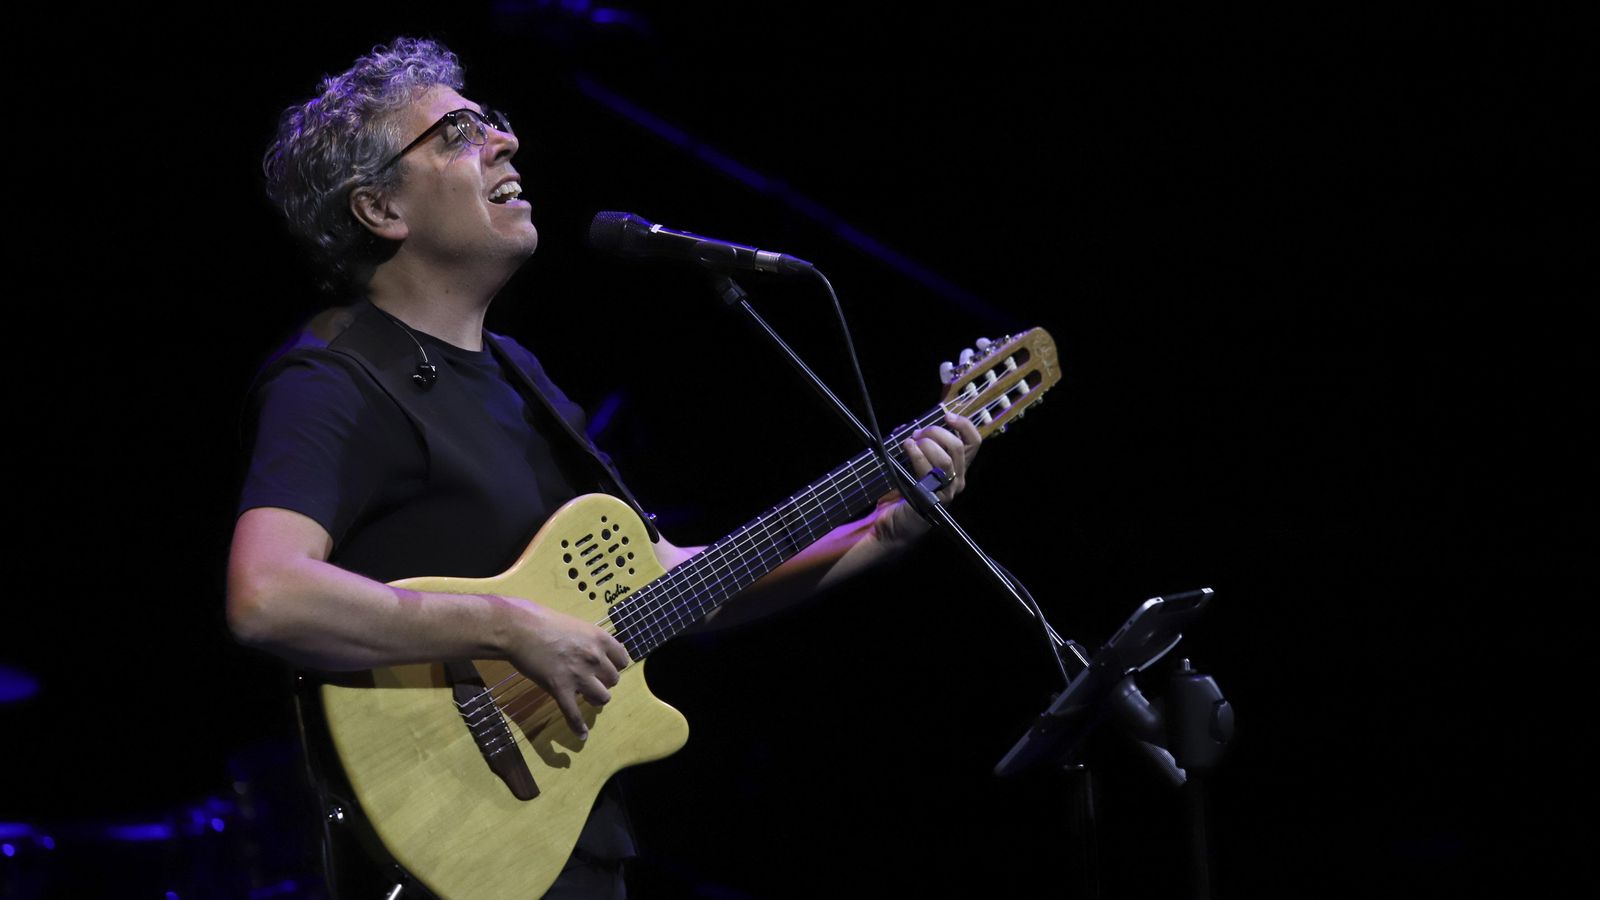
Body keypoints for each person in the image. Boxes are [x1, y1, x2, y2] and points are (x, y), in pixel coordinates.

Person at [228, 37, 979, 898]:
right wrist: (508, 626)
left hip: (564, 843)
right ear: (379, 210)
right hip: (445, 851)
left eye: (494, 124)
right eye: (457, 134)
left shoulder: (523, 376)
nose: (504, 142)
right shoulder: (334, 376)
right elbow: (267, 595)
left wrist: (884, 526)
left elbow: (671, 583)